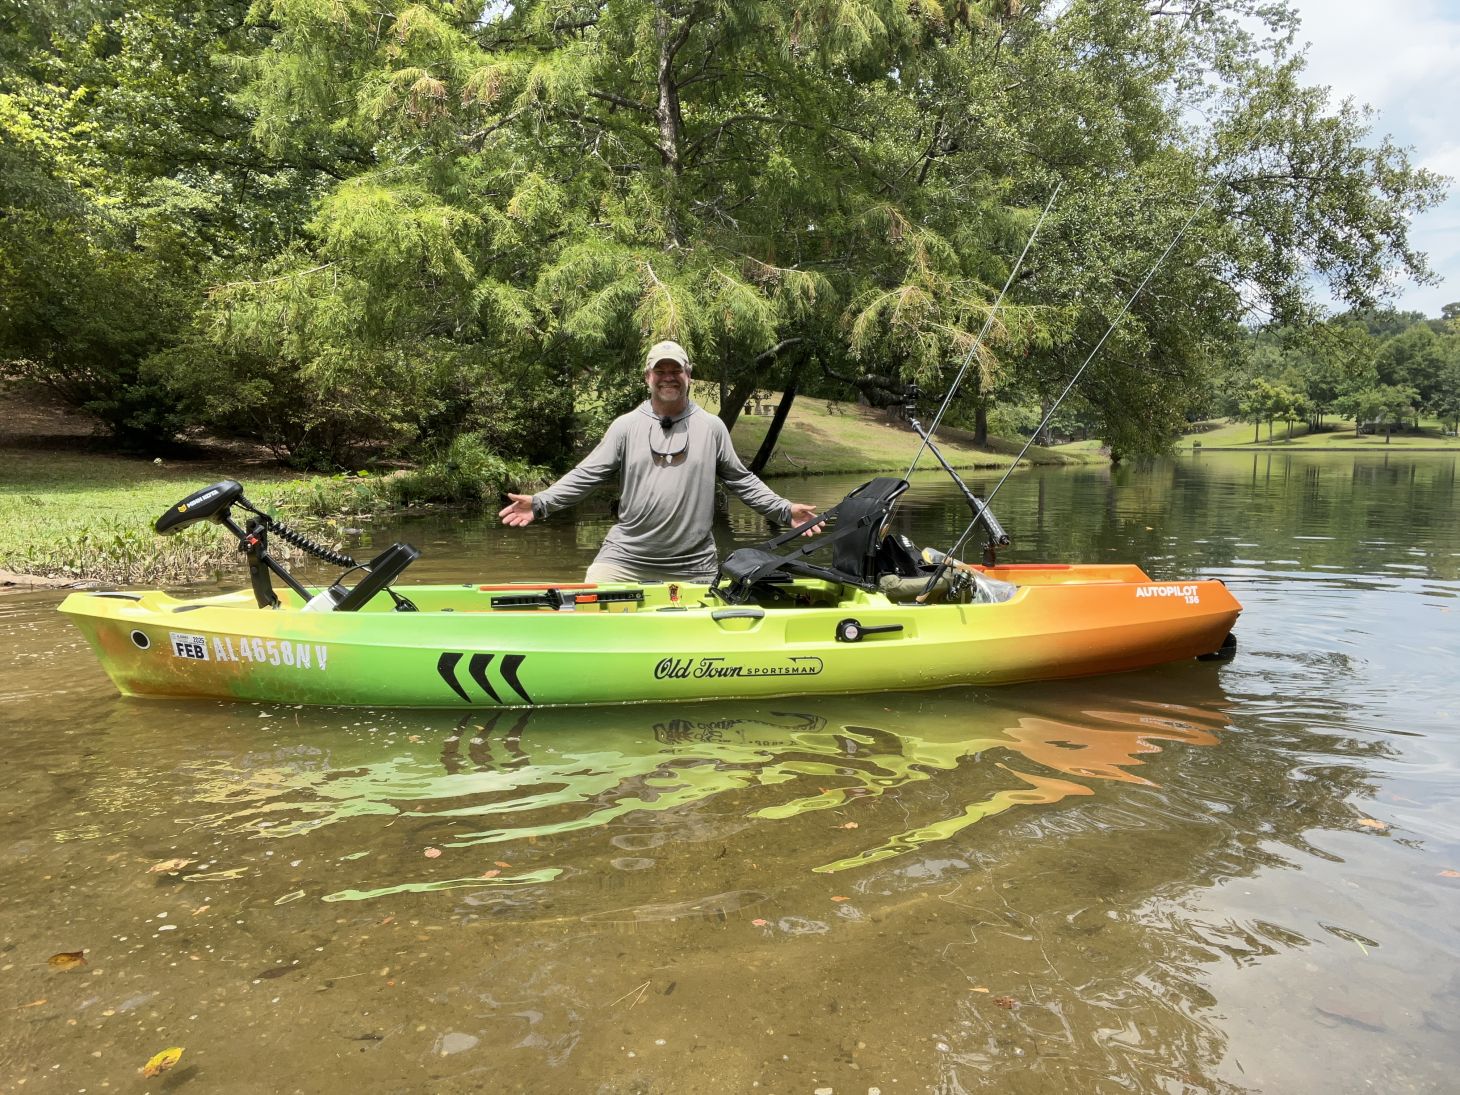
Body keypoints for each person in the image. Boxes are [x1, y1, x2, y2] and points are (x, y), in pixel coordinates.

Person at [498, 340, 821, 583]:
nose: (669, 377)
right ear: (647, 377)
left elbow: (742, 480)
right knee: (592, 608)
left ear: (689, 375)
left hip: (693, 565)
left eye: (675, 370)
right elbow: (587, 475)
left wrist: (784, 509)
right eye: (660, 371)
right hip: (625, 560)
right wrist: (540, 503)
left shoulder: (711, 428)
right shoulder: (625, 426)